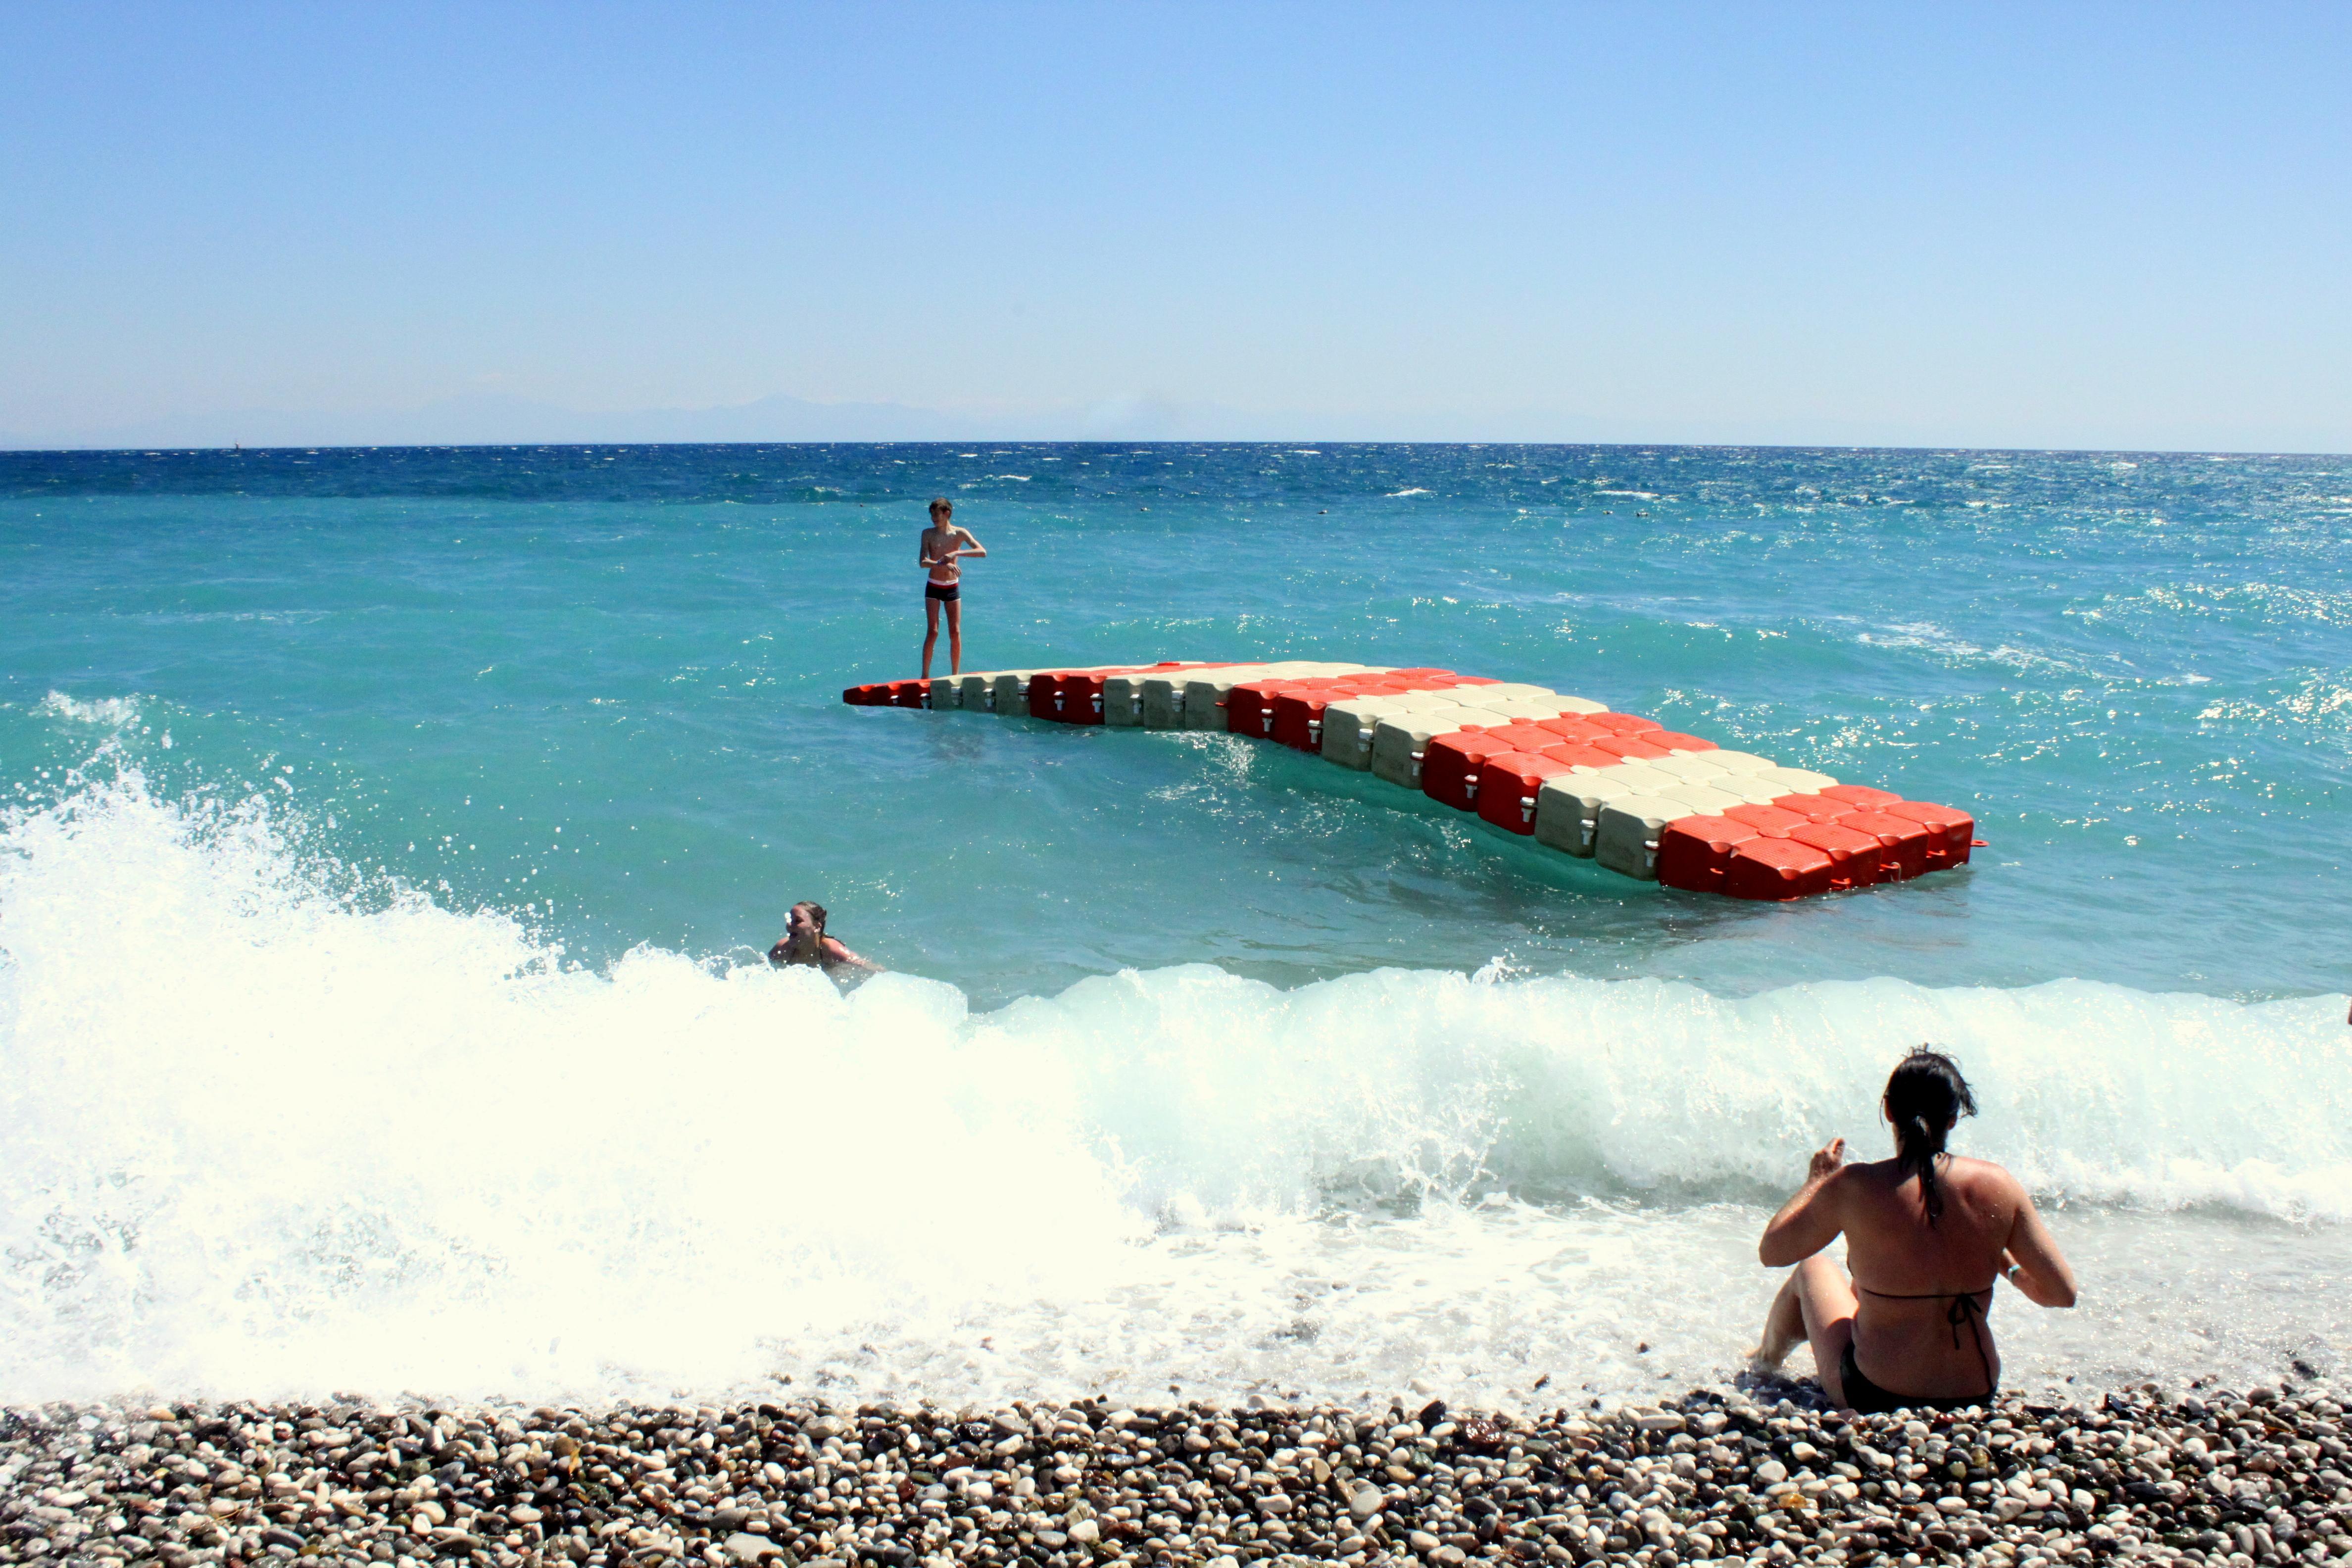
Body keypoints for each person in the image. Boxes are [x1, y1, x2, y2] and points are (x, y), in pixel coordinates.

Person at [1751, 1047, 2077, 1413]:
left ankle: (1763, 1365)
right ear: (1953, 1118)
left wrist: (1816, 1181)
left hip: (1874, 1392)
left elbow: (1772, 1252)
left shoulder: (1856, 1185)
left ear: (1889, 1110)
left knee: (1814, 1269)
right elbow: (2062, 1294)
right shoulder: (1998, 1185)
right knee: (1865, 1283)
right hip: (1974, 1391)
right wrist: (2010, 1268)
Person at [918, 497, 987, 678]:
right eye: (931, 515)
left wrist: (957, 553)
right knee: (933, 631)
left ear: (947, 513)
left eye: (936, 514)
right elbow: (923, 562)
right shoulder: (927, 534)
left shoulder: (960, 533)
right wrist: (942, 564)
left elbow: (982, 552)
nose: (933, 518)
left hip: (952, 587)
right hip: (933, 586)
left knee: (955, 631)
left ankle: (955, 675)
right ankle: (925, 676)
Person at [767, 901, 881, 977]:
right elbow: (762, 970)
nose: (790, 925)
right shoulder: (782, 949)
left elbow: (868, 966)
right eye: (791, 920)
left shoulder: (832, 949)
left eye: (798, 921)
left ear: (817, 926)